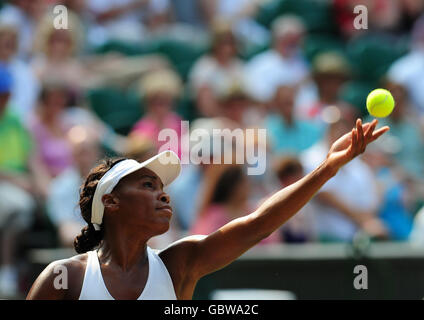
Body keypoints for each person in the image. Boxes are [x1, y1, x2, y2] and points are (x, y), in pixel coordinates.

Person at [27, 118, 389, 300]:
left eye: (163, 187)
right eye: (148, 185)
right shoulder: (64, 279)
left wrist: (328, 167)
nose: (163, 195)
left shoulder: (179, 264)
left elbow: (259, 224)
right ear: (111, 202)